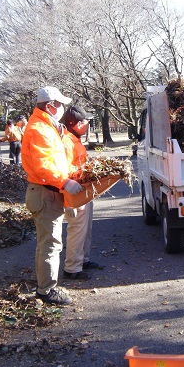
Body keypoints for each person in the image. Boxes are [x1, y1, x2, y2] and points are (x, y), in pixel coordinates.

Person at [21, 86, 84, 306]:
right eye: (60, 104)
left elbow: (53, 162)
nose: (62, 108)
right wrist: (65, 182)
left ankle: (45, 284)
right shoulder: (40, 129)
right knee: (50, 244)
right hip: (45, 192)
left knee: (47, 243)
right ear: (50, 106)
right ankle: (46, 290)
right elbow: (43, 166)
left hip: (48, 191)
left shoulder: (47, 127)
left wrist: (66, 182)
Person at [61, 105, 103, 280]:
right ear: (75, 123)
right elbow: (63, 168)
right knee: (77, 229)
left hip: (83, 190)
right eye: (86, 121)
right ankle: (72, 268)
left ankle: (83, 260)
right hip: (74, 192)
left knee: (86, 228)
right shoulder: (66, 142)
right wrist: (84, 172)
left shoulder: (75, 139)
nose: (87, 124)